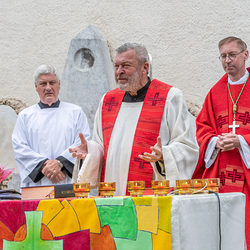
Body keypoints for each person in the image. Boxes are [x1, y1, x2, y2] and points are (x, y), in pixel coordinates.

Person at [70, 43, 198, 195]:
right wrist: (91, 151)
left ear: (145, 68)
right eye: (116, 66)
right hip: (113, 190)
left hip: (152, 191)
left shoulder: (170, 97)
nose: (119, 71)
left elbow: (186, 145)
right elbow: (102, 145)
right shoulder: (108, 100)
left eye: (126, 65)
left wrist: (164, 155)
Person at [192, 36, 250, 247]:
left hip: (247, 175)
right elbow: (202, 129)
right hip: (221, 175)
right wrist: (214, 142)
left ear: (245, 55)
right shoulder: (215, 92)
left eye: (232, 55)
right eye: (223, 56)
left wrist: (242, 141)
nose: (228, 60)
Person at [12, 65, 91, 187]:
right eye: (43, 84)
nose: (48, 88)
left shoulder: (75, 112)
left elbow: (82, 143)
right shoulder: (25, 116)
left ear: (59, 84)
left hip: (66, 180)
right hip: (37, 183)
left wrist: (61, 164)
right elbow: (20, 147)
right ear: (36, 87)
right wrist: (44, 165)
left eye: (52, 82)